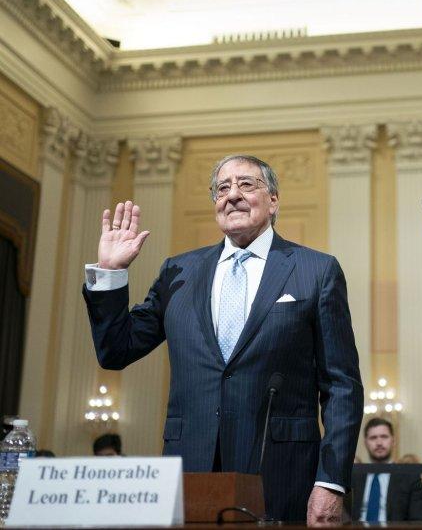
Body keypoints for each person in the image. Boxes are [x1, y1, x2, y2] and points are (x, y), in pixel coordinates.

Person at [83, 154, 363, 524]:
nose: (232, 195)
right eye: (222, 188)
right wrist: (110, 273)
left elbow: (342, 386)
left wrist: (331, 481)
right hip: (190, 470)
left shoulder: (315, 270)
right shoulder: (178, 271)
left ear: (274, 200)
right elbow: (116, 350)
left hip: (282, 473)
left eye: (247, 184)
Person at [350, 417, 422, 522]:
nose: (379, 442)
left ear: (393, 441)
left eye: (384, 437)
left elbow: (419, 520)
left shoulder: (410, 478)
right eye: (373, 438)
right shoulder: (354, 476)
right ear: (365, 442)